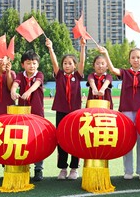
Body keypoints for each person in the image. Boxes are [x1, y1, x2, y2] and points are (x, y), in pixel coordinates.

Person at [99, 41, 140, 180]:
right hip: (126, 110)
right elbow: (112, 70)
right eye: (133, 57)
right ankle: (128, 170)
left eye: (138, 57)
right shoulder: (125, 73)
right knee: (128, 141)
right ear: (129, 59)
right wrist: (106, 54)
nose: (135, 60)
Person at [45, 38, 85, 180]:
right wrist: (51, 48)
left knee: (75, 139)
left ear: (74, 65)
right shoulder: (59, 75)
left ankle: (74, 168)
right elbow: (54, 62)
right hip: (61, 111)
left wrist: (82, 48)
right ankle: (63, 168)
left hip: (75, 112)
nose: (67, 66)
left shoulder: (78, 76)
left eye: (70, 63)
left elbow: (82, 62)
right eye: (65, 63)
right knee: (61, 139)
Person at [10, 50, 45, 181]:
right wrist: (13, 91)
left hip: (37, 114)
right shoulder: (20, 75)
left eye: (34, 63)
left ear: (38, 64)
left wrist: (28, 91)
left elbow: (36, 84)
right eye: (28, 63)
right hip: (23, 115)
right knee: (24, 140)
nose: (32, 66)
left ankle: (38, 169)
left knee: (38, 141)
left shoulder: (39, 75)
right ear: (22, 64)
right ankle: (24, 166)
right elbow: (15, 83)